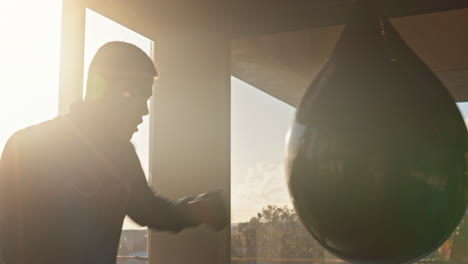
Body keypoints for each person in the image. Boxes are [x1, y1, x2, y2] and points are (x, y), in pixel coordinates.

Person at [0, 41, 227, 264]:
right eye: (140, 96)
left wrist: (198, 209)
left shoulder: (120, 155)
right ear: (113, 91)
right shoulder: (27, 146)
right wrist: (198, 210)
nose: (145, 111)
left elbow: (148, 211)